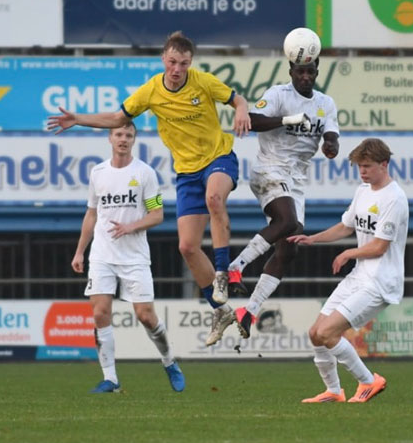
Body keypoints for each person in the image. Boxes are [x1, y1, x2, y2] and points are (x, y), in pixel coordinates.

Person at [47, 31, 251, 347]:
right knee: (187, 247)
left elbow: (237, 98)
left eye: (183, 63)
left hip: (218, 158)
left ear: (190, 63)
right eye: (172, 62)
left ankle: (224, 274)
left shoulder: (203, 82)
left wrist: (241, 108)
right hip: (186, 173)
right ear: (163, 61)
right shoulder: (151, 92)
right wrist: (78, 119)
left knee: (214, 197)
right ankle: (220, 309)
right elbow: (117, 117)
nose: (177, 69)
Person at [226, 57, 339, 339]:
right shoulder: (278, 94)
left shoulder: (325, 103)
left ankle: (249, 311)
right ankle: (234, 268)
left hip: (297, 180)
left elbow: (332, 136)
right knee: (287, 221)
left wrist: (330, 145)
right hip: (271, 168)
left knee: (289, 249)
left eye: (309, 72)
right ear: (291, 72)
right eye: (299, 71)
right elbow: (253, 121)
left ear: (316, 73)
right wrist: (287, 119)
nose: (305, 76)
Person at [287, 138, 408, 404]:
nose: (362, 171)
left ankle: (368, 381)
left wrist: (347, 253)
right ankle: (333, 391)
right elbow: (345, 227)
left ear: (384, 164)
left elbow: (378, 247)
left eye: (367, 166)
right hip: (359, 276)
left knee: (329, 333)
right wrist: (313, 238)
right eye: (359, 166)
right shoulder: (363, 191)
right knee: (315, 333)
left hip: (380, 282)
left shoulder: (395, 199)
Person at [71, 121, 185, 393]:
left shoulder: (145, 173)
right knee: (100, 313)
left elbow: (157, 214)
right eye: (119, 134)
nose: (123, 139)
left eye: (129, 135)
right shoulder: (98, 172)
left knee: (145, 316)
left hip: (134, 256)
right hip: (102, 254)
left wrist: (130, 227)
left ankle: (169, 361)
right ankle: (110, 379)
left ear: (134, 140)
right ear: (110, 138)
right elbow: (91, 214)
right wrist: (80, 251)